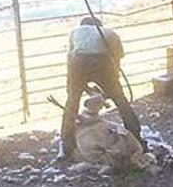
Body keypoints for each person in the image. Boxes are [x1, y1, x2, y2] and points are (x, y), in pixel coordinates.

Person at [60, 17, 145, 161]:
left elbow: (70, 57)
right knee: (121, 101)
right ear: (99, 25)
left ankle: (67, 144)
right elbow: (117, 57)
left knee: (72, 102)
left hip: (78, 62)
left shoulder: (75, 32)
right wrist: (113, 85)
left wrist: (76, 88)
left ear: (83, 25)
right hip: (102, 62)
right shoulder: (109, 33)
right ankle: (136, 135)